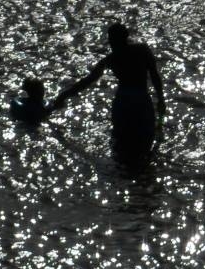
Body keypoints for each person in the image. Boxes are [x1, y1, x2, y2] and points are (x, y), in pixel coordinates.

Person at [55, 22, 166, 166]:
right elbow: (155, 75)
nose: (111, 43)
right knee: (146, 143)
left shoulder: (111, 59)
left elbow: (87, 81)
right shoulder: (142, 50)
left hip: (123, 104)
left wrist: (64, 95)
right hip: (141, 101)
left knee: (120, 145)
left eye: (111, 39)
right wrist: (161, 99)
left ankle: (121, 173)